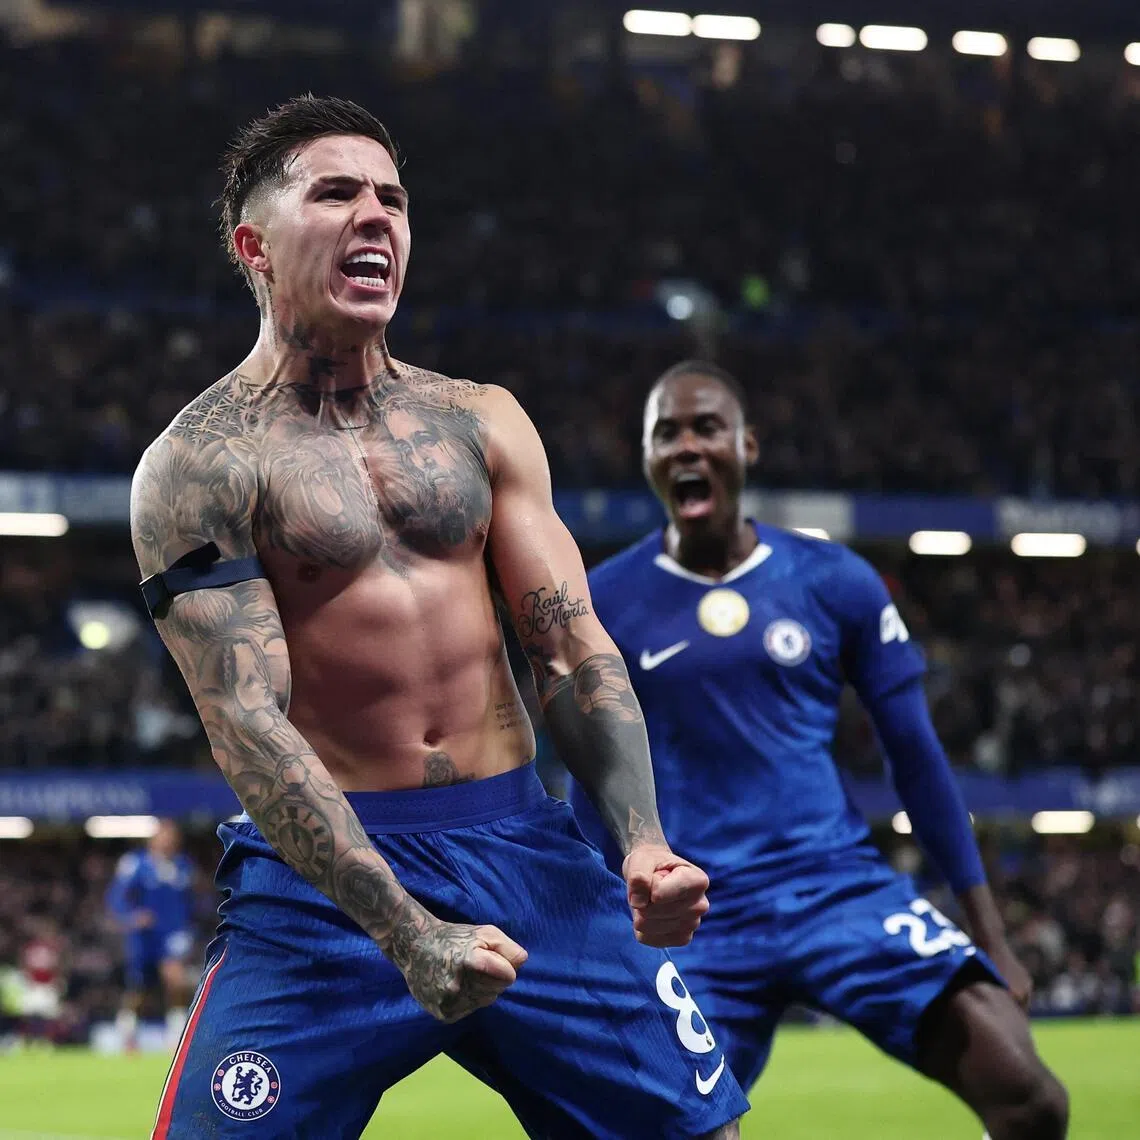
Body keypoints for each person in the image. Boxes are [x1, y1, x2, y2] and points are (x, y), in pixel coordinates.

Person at [129, 96, 746, 1139]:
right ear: (255, 246)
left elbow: (569, 643)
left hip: (524, 849)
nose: (377, 217)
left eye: (394, 200)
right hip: (320, 882)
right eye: (336, 193)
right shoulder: (196, 466)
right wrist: (410, 936)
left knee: (703, 1133)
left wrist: (640, 841)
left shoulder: (481, 420)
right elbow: (250, 728)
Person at [569, 360, 1069, 1139]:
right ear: (645, 458)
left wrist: (990, 934)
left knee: (1032, 1098)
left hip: (837, 890)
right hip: (698, 916)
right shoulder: (605, 599)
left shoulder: (834, 579)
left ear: (748, 446)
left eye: (707, 428)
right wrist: (595, 937)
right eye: (667, 433)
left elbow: (918, 761)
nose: (687, 446)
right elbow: (592, 782)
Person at [105, 819, 195, 1050]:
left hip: (173, 933)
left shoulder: (182, 865)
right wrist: (131, 917)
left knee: (175, 978)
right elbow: (117, 895)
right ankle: (127, 1032)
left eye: (171, 836)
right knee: (139, 989)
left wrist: (189, 927)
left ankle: (176, 1033)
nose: (168, 840)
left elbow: (189, 901)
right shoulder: (136, 864)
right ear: (153, 839)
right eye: (163, 835)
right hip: (145, 936)